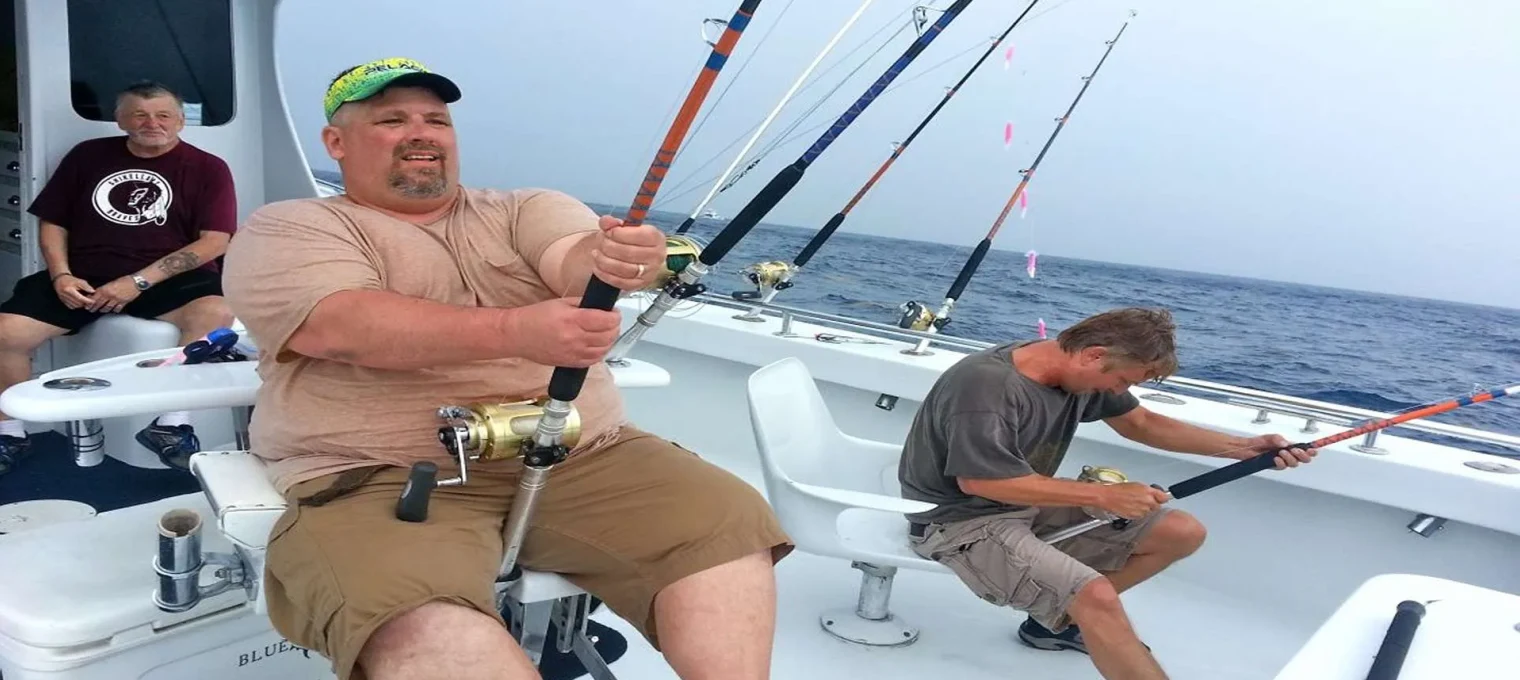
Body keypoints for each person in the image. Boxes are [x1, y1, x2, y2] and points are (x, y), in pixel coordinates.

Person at [219, 57, 792, 680]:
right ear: (336, 142)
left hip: (583, 453)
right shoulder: (290, 226)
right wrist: (518, 330)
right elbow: (340, 325)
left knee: (724, 521)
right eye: (391, 119)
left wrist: (621, 261)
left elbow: (575, 259)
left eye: (437, 120)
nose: (422, 132)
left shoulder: (524, 206)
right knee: (418, 620)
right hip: (376, 473)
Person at [898, 307, 1316, 680]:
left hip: (1024, 502)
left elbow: (1143, 423)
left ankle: (1051, 625)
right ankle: (1080, 614)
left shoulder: (1080, 375)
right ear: (1093, 354)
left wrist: (1244, 449)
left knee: (1181, 532)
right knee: (1094, 595)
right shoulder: (987, 385)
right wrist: (1104, 497)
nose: (1119, 391)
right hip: (957, 520)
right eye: (1121, 380)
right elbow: (979, 482)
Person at [0, 81, 236, 476]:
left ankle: (171, 426)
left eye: (163, 115)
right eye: (139, 114)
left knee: (216, 313)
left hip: (165, 278)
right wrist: (61, 275)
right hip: (85, 274)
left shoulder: (208, 168)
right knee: (6, 332)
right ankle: (10, 432)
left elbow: (214, 242)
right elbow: (53, 222)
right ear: (119, 119)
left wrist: (138, 282)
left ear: (181, 120)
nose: (152, 123)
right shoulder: (87, 156)